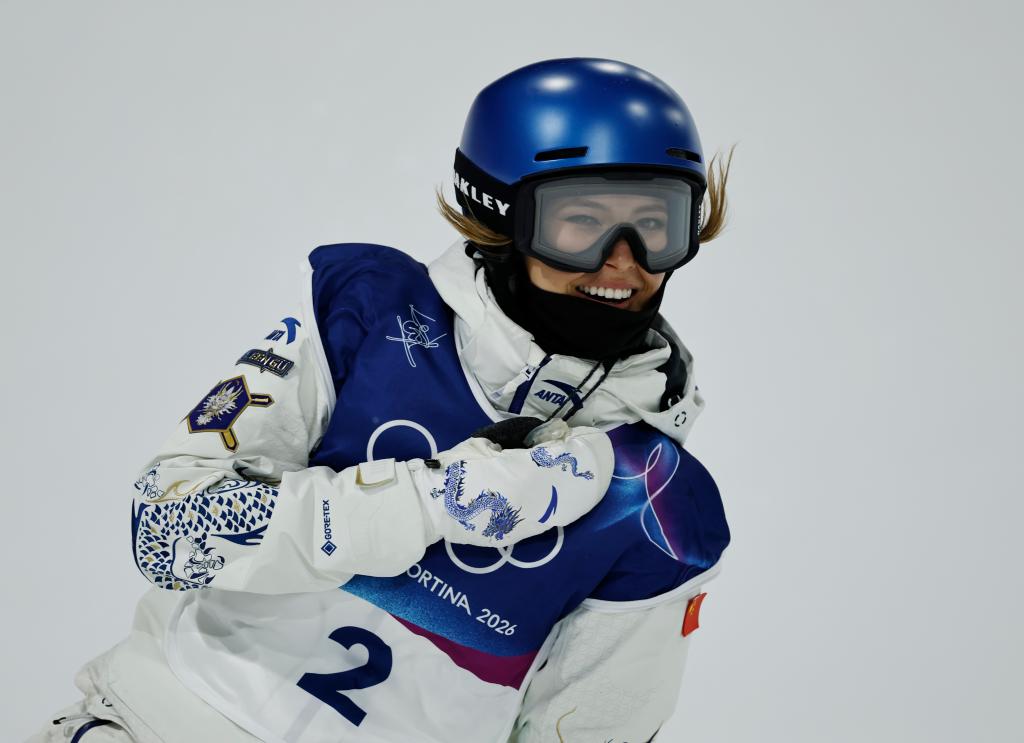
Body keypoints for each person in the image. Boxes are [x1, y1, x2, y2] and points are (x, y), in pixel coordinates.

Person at [30, 57, 732, 743]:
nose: (623, 259)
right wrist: (432, 501)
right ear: (500, 215)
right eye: (580, 220)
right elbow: (167, 530)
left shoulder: (657, 504)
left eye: (656, 223)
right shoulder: (369, 315)